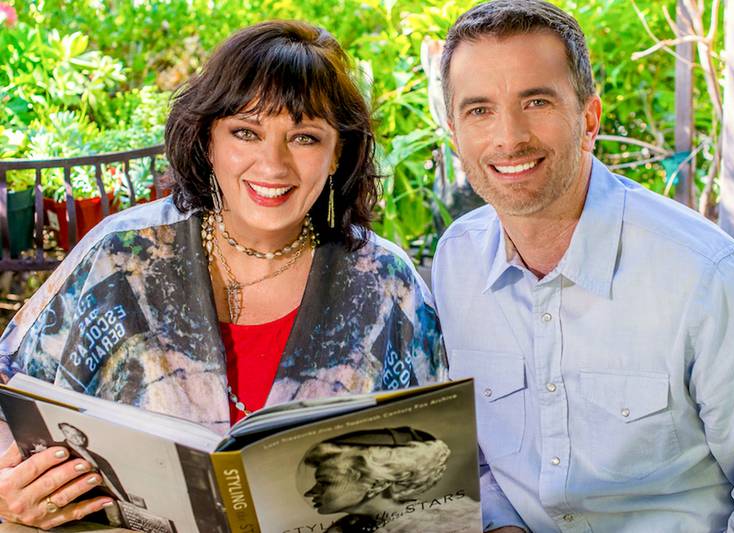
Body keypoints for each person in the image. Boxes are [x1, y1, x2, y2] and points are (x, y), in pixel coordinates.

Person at [0, 20, 445, 530]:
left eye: (303, 137)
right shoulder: (120, 254)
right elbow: (8, 387)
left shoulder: (387, 283)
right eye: (245, 132)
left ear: (338, 152)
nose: (273, 164)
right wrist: (7, 487)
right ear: (207, 139)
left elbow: (434, 486)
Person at [432, 1, 734, 531]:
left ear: (589, 119)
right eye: (479, 110)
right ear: (454, 132)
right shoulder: (456, 263)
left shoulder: (705, 276)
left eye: (535, 101)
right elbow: (479, 458)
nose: (508, 136)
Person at [301, 427, 480, 532]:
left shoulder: (454, 522)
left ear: (379, 482)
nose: (310, 492)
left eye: (325, 482)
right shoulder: (347, 528)